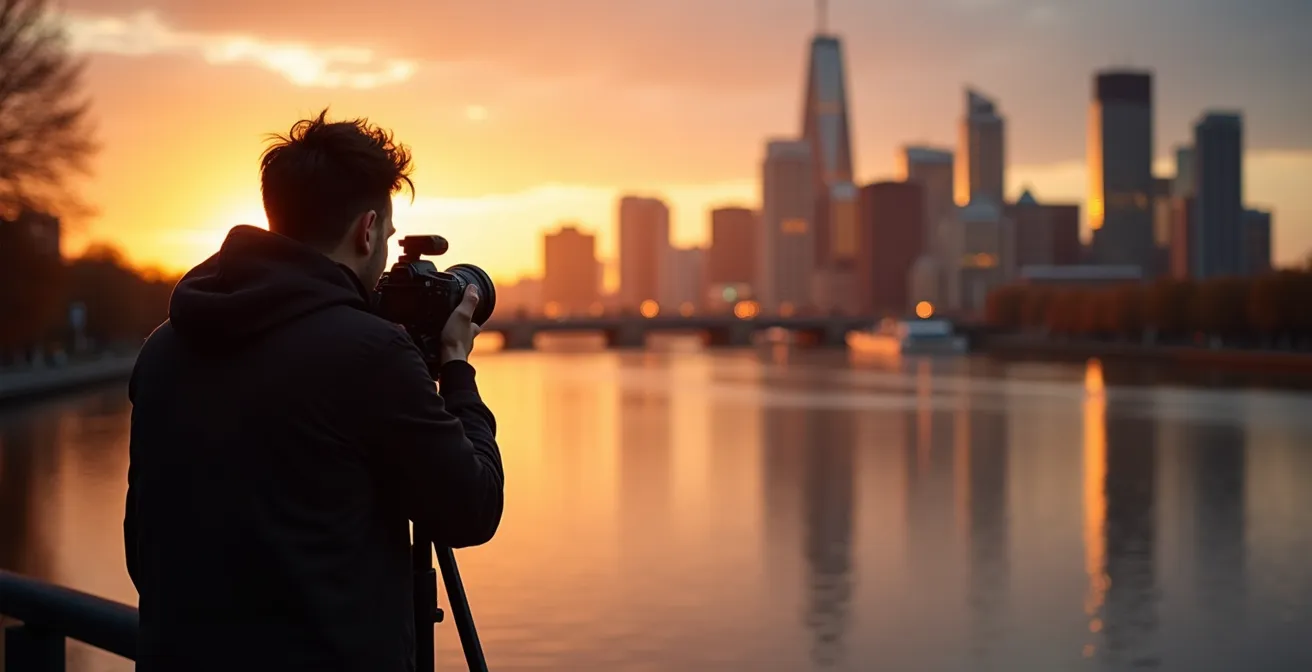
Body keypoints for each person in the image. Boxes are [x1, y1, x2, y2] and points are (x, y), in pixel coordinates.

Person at [123, 110, 504, 672]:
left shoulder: (164, 348)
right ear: (368, 230)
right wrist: (455, 368)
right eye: (388, 237)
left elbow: (143, 551)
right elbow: (473, 507)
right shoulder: (370, 357)